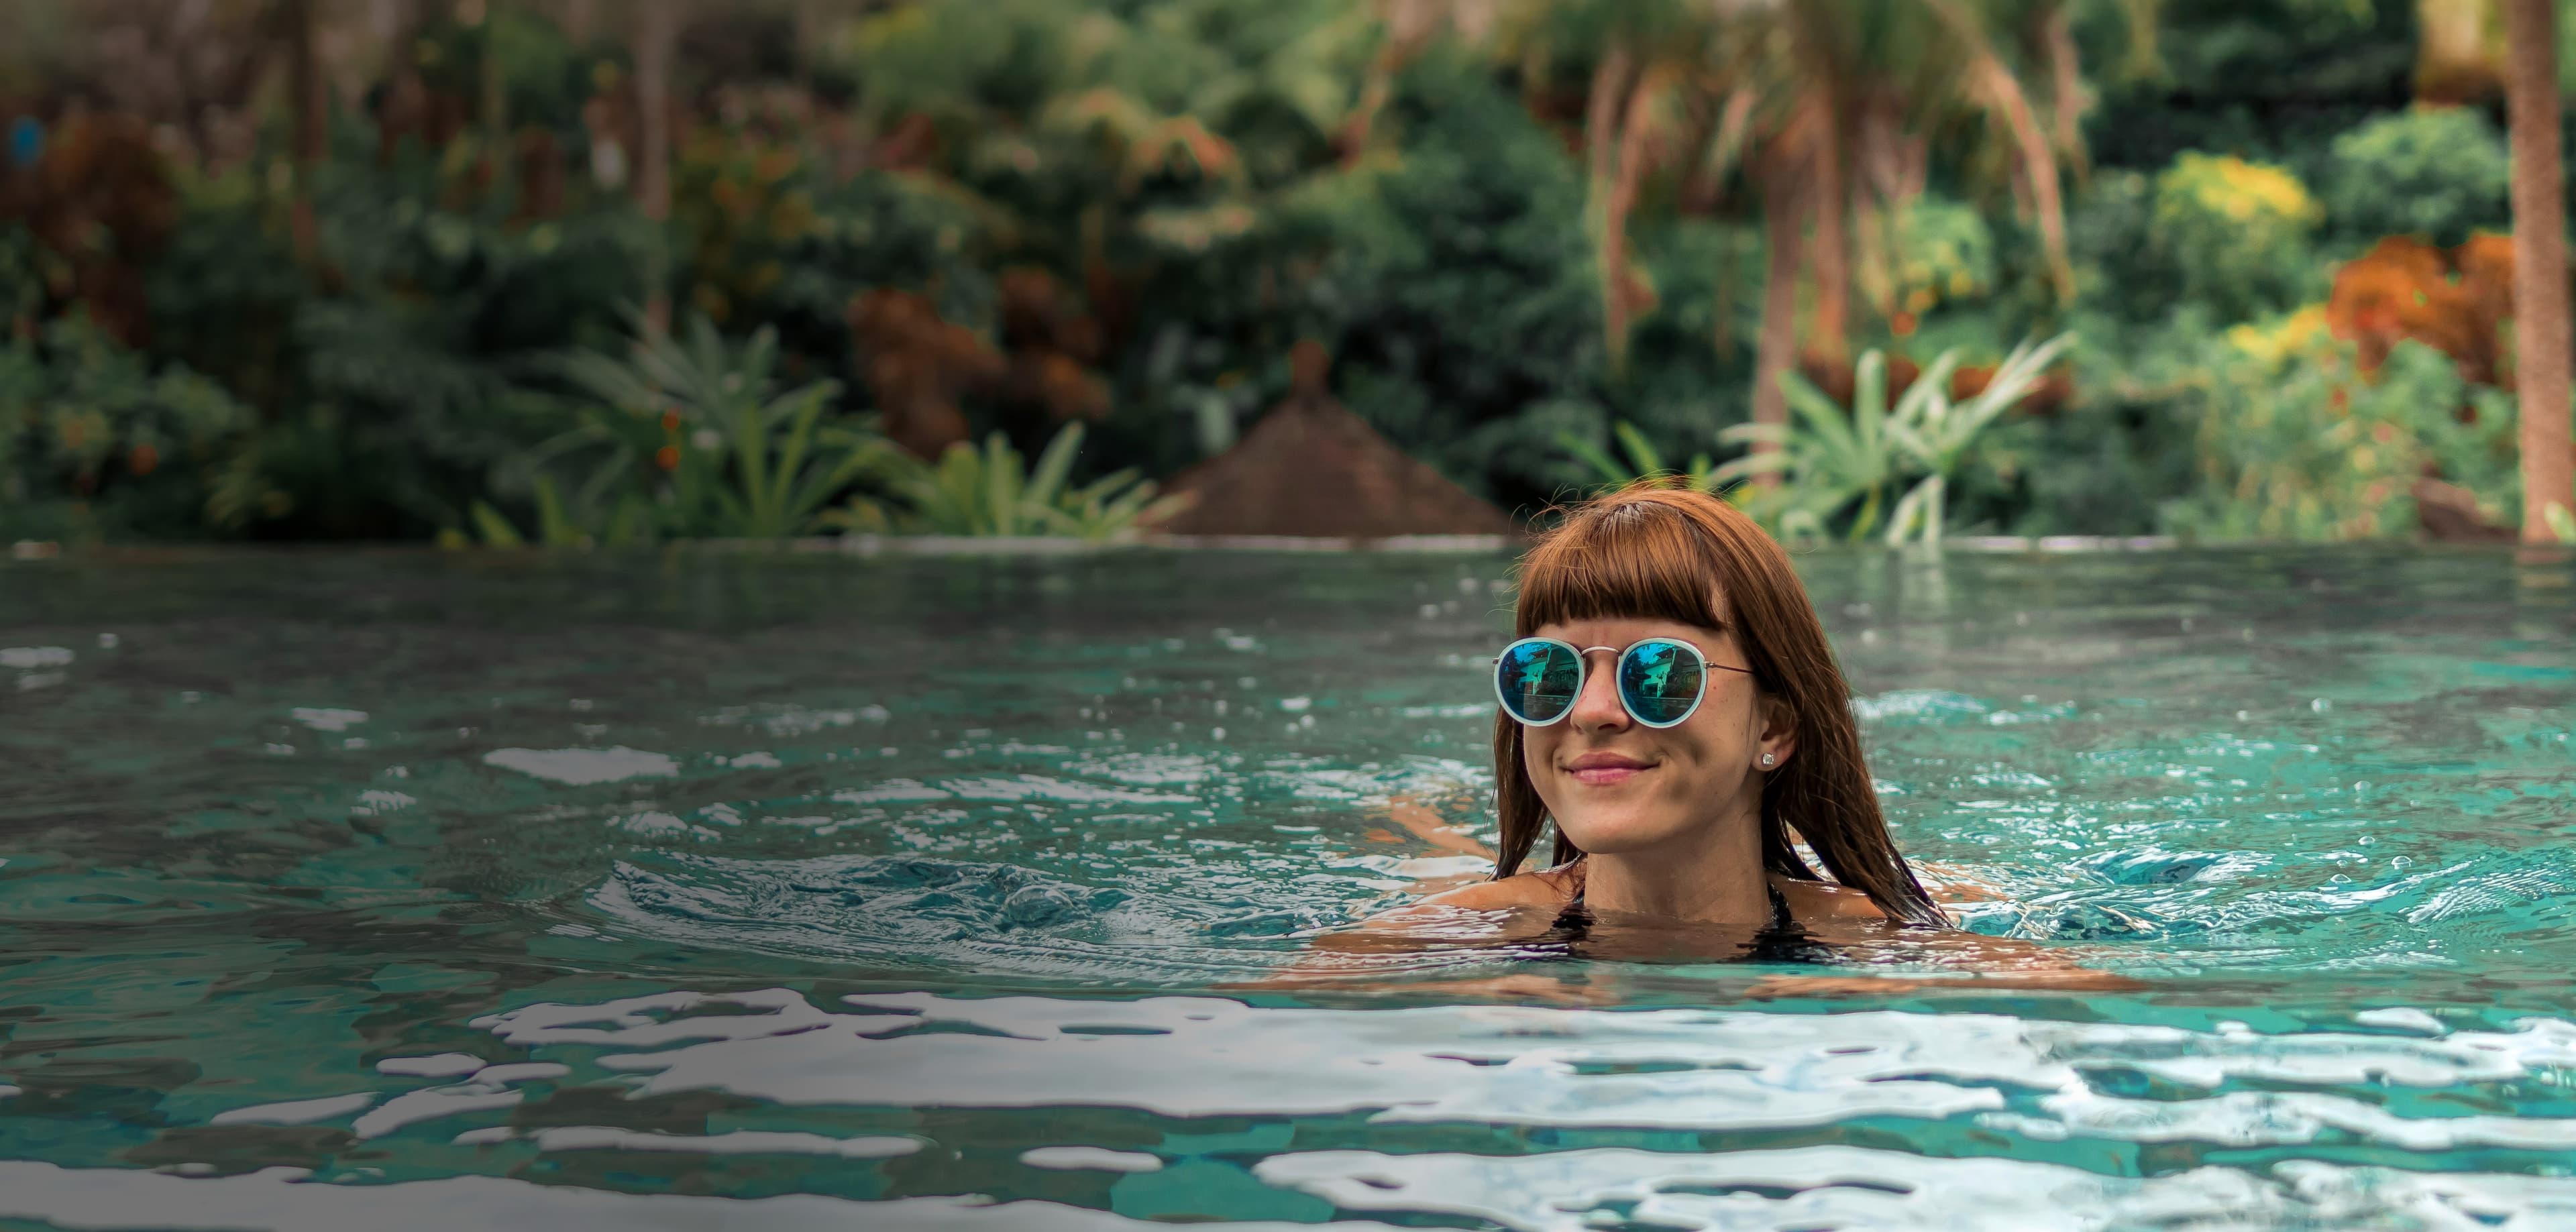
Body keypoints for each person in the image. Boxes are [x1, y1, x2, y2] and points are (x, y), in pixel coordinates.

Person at [1285, 484, 2127, 993]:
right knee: (1433, 852)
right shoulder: (1438, 944)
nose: (1594, 711)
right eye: (1548, 673)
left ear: (1774, 723)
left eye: (1660, 670)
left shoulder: (1886, 940)